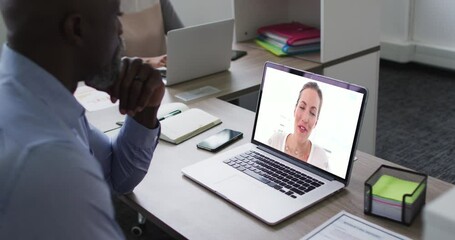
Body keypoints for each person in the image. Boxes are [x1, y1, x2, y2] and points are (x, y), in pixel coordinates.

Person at [0, 0, 164, 239]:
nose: (120, 29)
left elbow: (116, 178)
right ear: (76, 29)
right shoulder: (50, 163)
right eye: (115, 17)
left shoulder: (32, 97)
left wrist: (144, 110)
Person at [268, 82, 329, 170]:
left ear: (316, 122)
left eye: (312, 113)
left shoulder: (320, 158)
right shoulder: (275, 141)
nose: (305, 118)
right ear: (294, 110)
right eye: (302, 107)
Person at [120, 0, 183, 68]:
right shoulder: (108, 8)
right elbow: (110, 65)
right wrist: (148, 62)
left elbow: (182, 37)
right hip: (129, 76)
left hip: (163, 73)